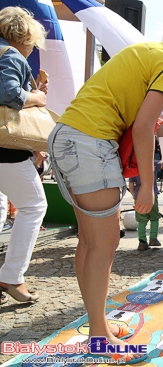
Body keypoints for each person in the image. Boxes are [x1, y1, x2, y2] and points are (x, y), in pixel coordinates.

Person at [48, 5, 163, 362]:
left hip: (70, 136)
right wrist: (146, 184)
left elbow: (140, 120)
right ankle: (98, 334)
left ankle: (98, 324)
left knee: (93, 241)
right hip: (88, 139)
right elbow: (143, 128)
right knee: (105, 242)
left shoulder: (154, 53)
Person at [0, 7, 49, 304]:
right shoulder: (10, 55)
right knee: (34, 205)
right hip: (6, 148)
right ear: (25, 35)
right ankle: (12, 276)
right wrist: (38, 97)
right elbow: (8, 94)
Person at [128, 158, 162, 251]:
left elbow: (131, 185)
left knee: (142, 220)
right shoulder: (153, 162)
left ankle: (142, 242)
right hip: (152, 195)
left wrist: (135, 196)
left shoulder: (133, 166)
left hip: (138, 196)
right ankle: (153, 239)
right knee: (154, 218)